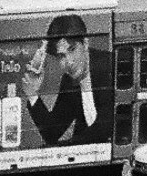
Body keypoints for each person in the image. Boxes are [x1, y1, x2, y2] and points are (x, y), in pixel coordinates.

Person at [18, 12, 100, 146]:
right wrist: (32, 93)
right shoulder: (69, 81)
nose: (69, 61)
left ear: (85, 44)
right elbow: (52, 133)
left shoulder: (108, 66)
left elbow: (103, 129)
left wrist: (69, 147)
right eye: (61, 56)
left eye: (72, 49)